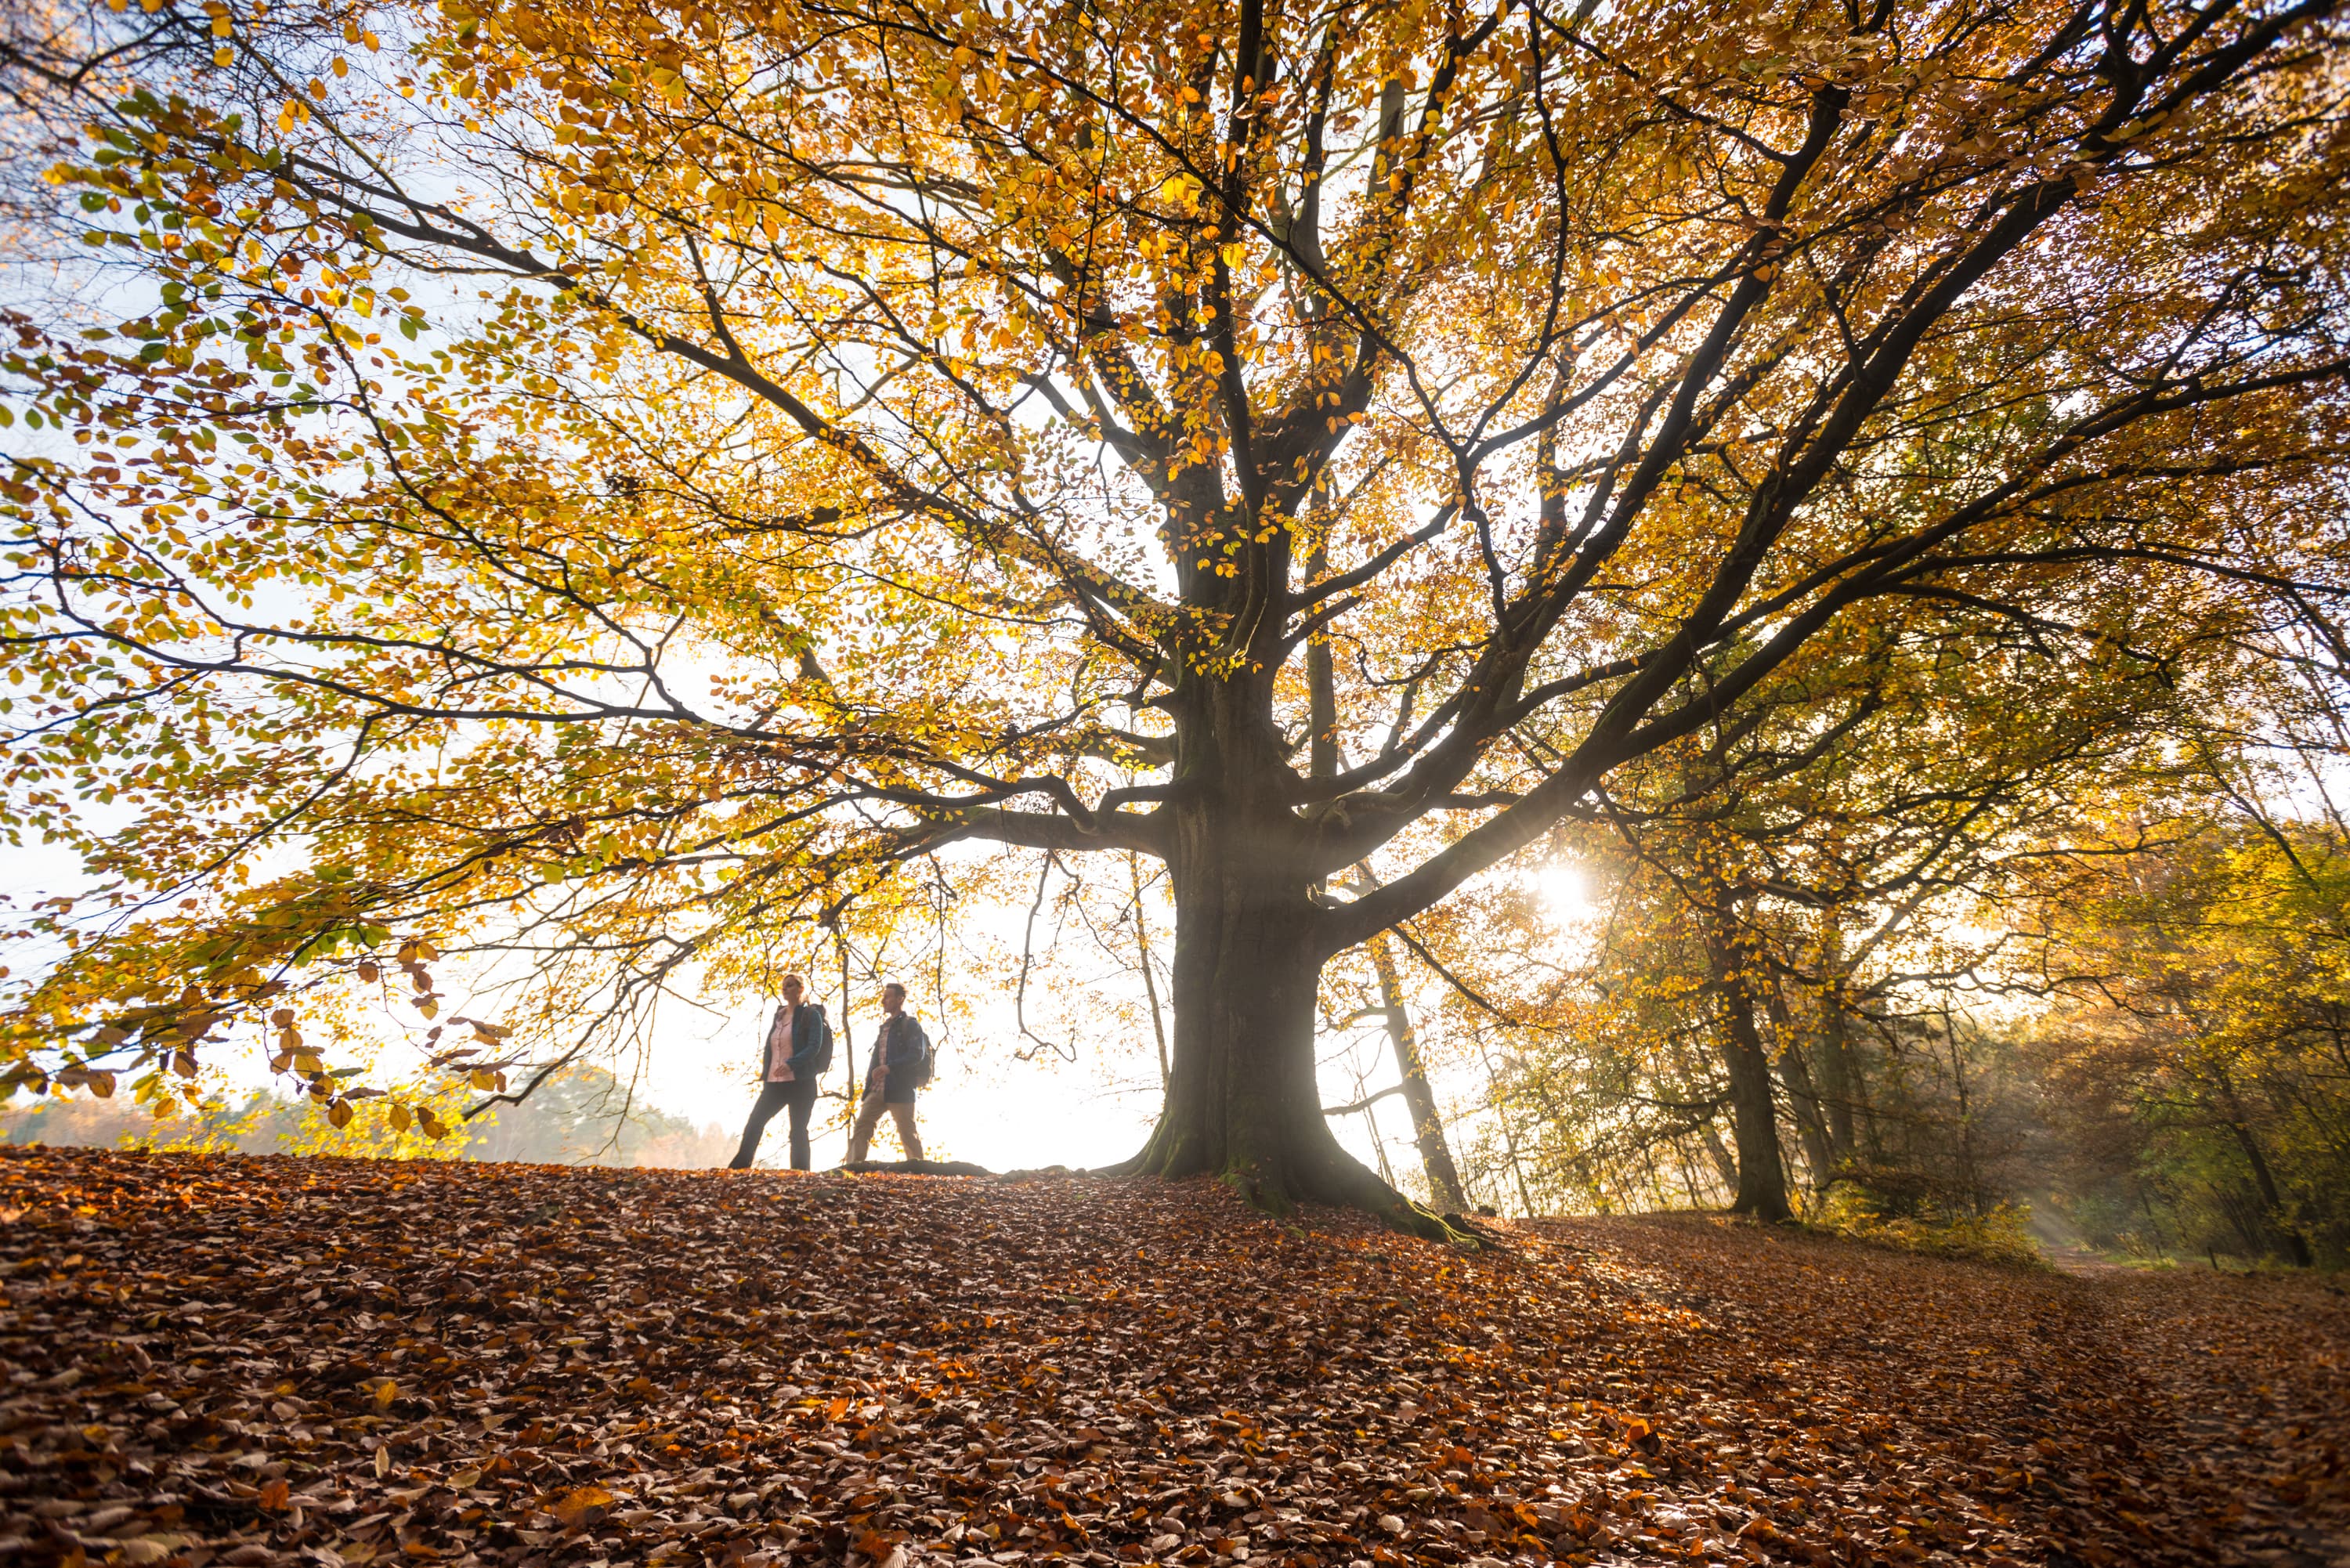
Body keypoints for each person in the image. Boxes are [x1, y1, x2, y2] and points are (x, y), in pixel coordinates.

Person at [727, 972, 831, 1170]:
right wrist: (766, 1074)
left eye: (790, 985)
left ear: (800, 989)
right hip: (775, 1084)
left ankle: (800, 1175)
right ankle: (739, 1168)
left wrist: (792, 1063)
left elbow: (814, 1047)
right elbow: (771, 1048)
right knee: (754, 1123)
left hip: (801, 1083)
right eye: (784, 986)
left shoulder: (811, 1015)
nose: (785, 989)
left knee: (798, 1132)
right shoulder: (780, 1016)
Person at [846, 981, 927, 1163]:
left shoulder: (910, 1025)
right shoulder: (884, 1028)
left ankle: (920, 1171)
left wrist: (890, 1067)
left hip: (900, 1089)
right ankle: (852, 1168)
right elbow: (875, 1062)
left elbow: (916, 1054)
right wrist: (867, 1089)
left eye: (888, 997)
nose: (883, 1001)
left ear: (900, 999)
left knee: (907, 1133)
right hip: (877, 1089)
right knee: (862, 1126)